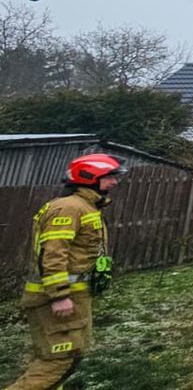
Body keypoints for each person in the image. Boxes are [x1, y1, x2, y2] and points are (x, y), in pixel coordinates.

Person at [7, 154, 126, 390]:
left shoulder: (85, 207)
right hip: (58, 297)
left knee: (64, 356)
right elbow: (52, 255)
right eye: (110, 177)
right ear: (90, 177)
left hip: (75, 295)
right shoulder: (68, 208)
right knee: (58, 360)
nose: (114, 182)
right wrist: (59, 295)